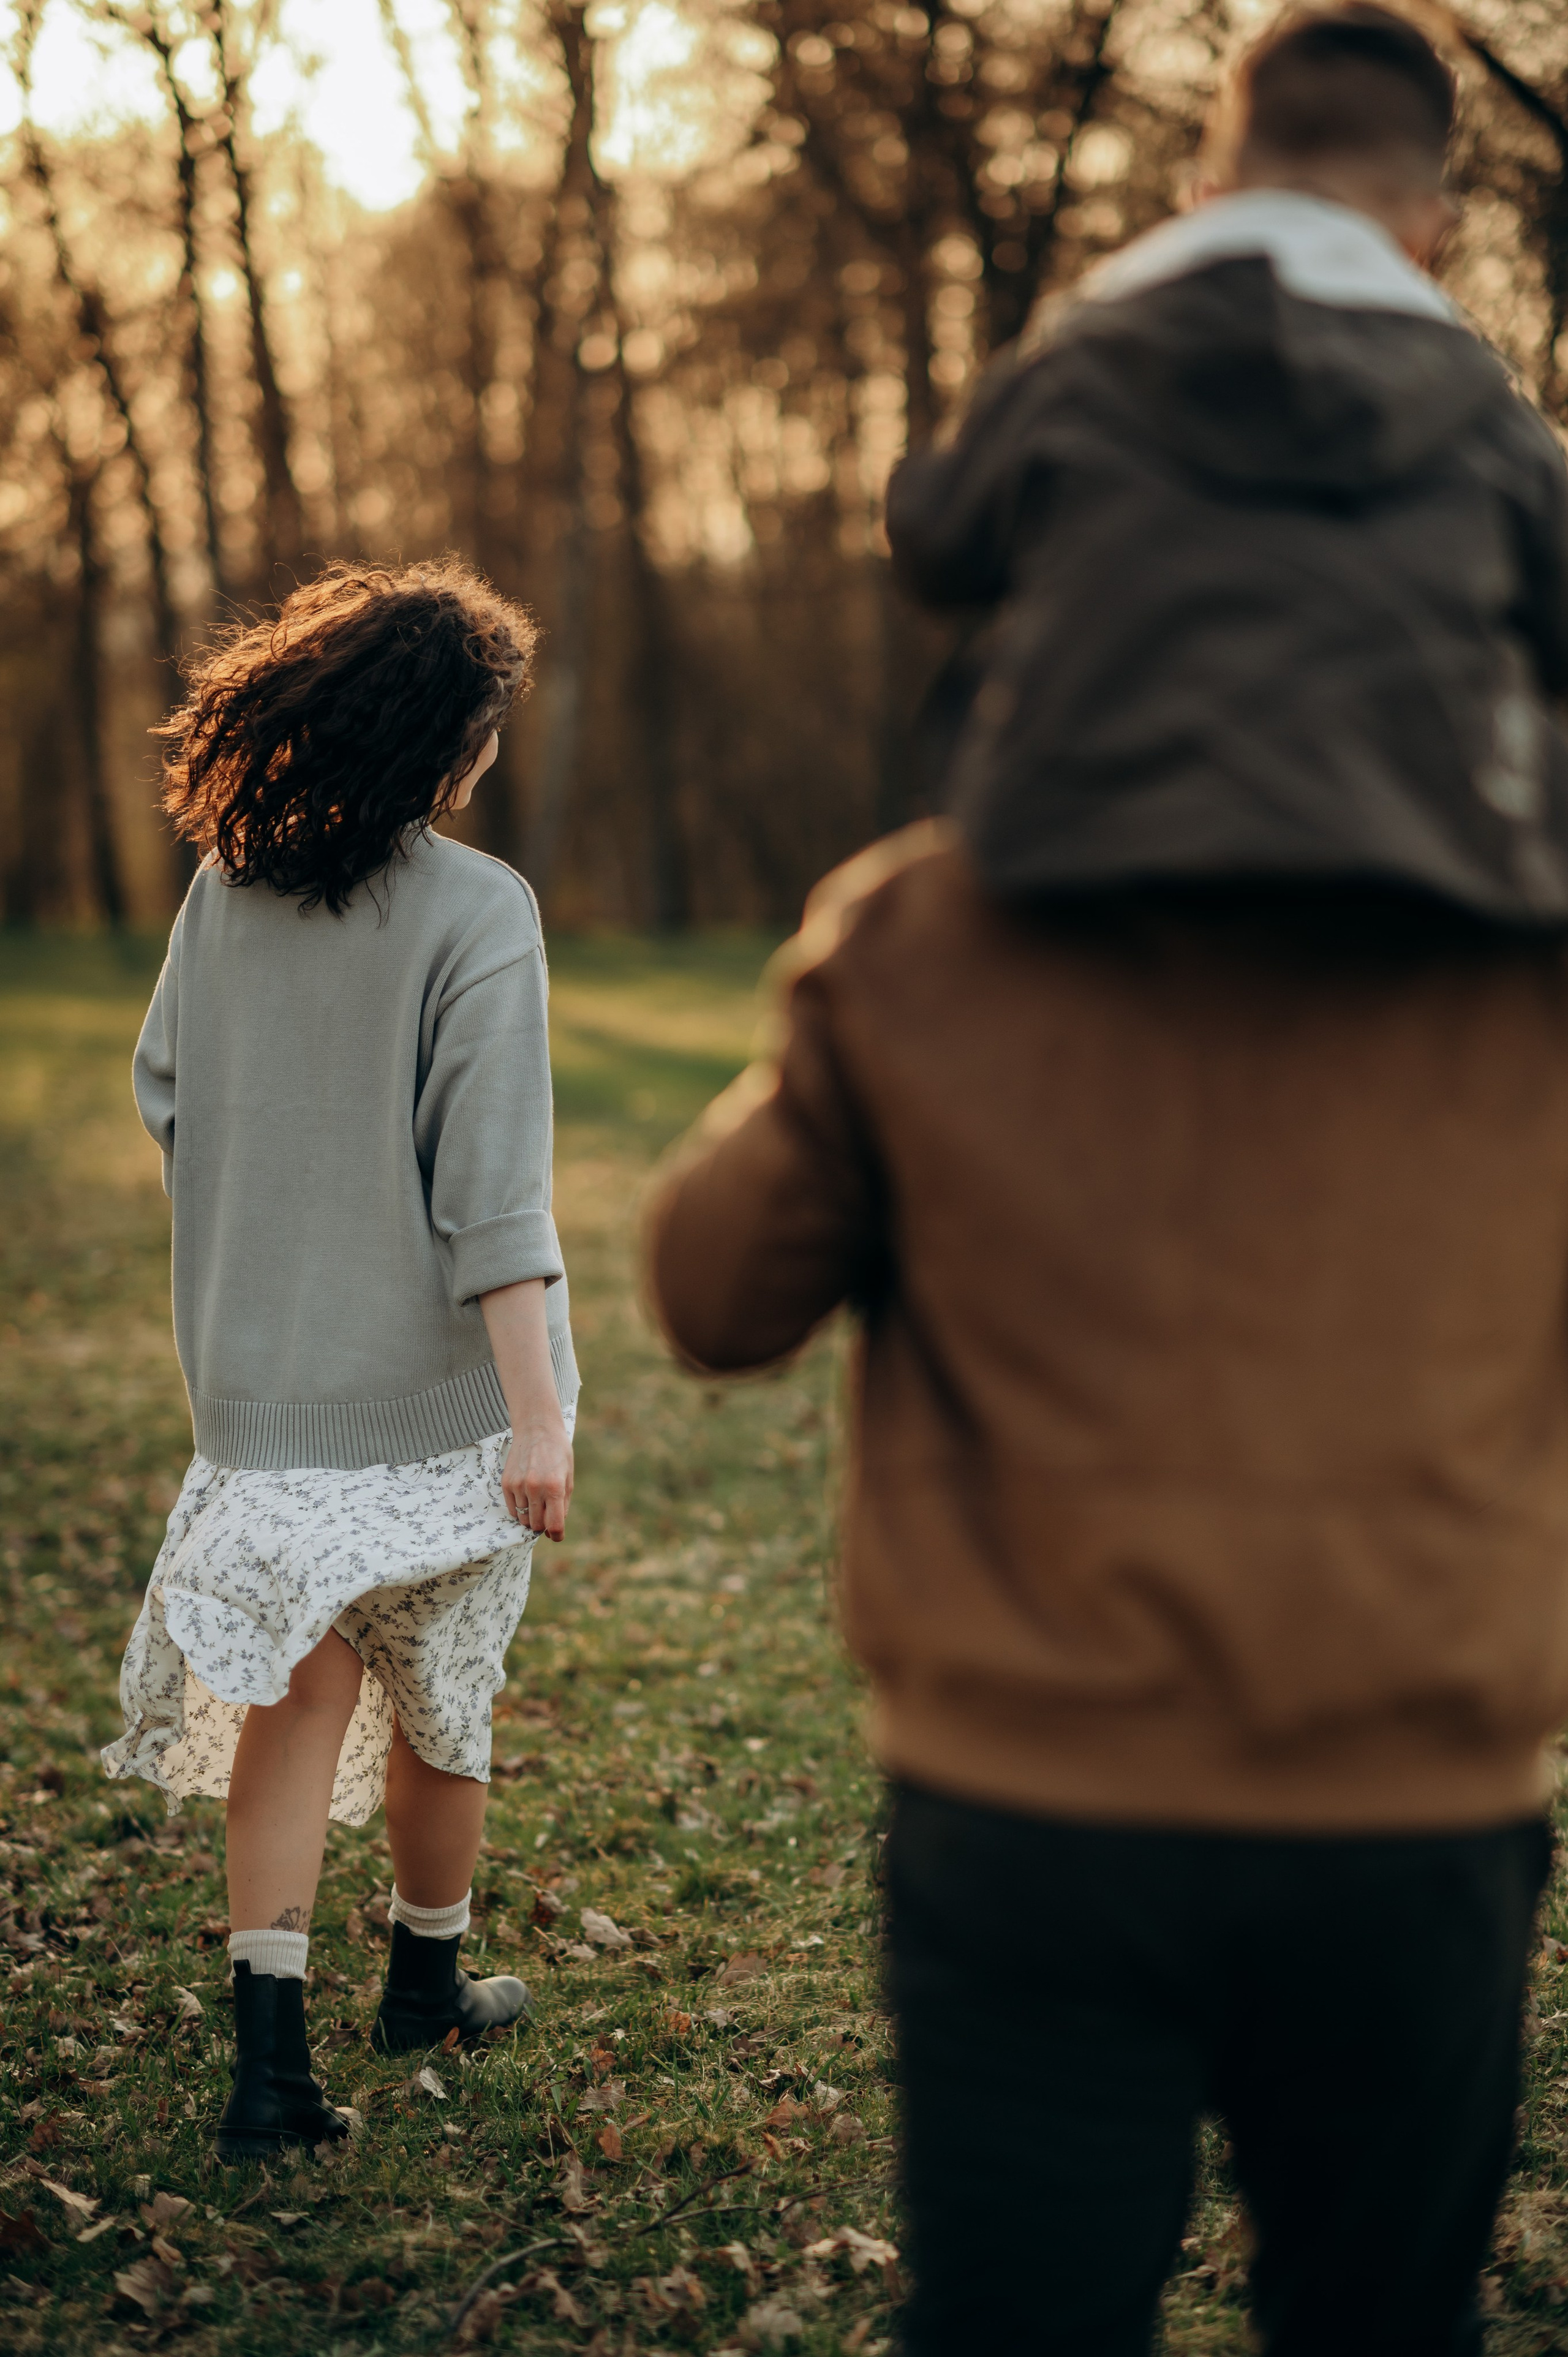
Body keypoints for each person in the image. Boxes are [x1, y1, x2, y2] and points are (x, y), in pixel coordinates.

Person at [642, 11, 1568, 2351]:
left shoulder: (921, 940)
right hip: (1418, 1796)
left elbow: (710, 1291)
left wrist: (831, 1064)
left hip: (1030, 1811)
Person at [103, 559, 578, 2163]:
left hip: (256, 1407)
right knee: (444, 1709)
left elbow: (168, 1092)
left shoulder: (224, 889)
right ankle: (427, 1986)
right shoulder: (478, 910)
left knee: (292, 1705)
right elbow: (497, 1202)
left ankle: (268, 2074)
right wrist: (540, 1418)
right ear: (448, 741)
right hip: (438, 1412)